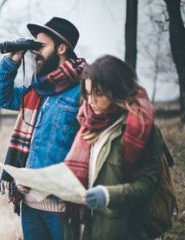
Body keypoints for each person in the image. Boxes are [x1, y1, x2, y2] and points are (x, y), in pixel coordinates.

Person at [0, 17, 86, 240]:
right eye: (34, 46)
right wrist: (13, 59)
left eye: (41, 46)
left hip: (63, 208)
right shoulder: (38, 90)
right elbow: (2, 98)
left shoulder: (83, 90)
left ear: (62, 48)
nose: (35, 52)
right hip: (29, 204)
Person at [64, 54, 163, 239]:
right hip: (85, 228)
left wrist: (108, 195)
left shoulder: (140, 128)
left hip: (122, 230)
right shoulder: (89, 123)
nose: (91, 100)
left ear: (117, 90)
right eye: (87, 93)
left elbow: (147, 185)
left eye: (99, 94)